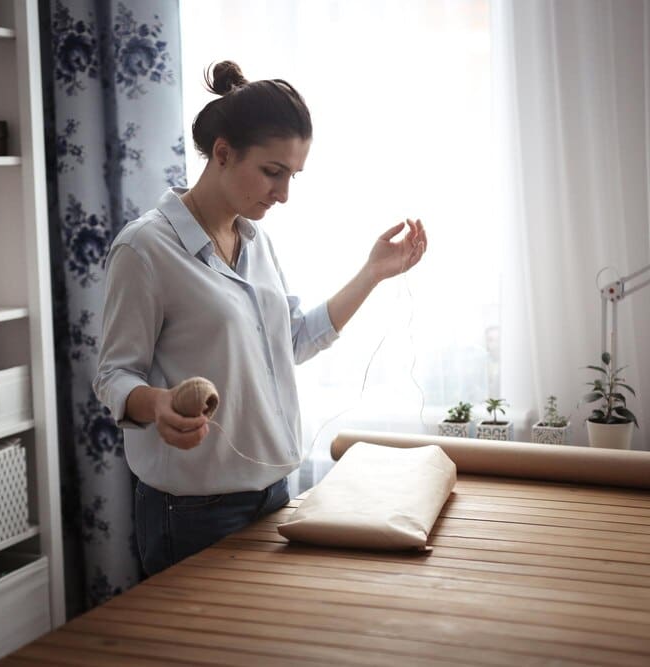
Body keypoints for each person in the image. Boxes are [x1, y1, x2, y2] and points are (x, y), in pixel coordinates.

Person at [93, 61, 427, 577]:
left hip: (274, 496)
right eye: (273, 172)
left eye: (292, 176)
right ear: (223, 153)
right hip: (191, 513)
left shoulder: (256, 242)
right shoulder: (144, 249)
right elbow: (114, 376)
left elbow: (293, 340)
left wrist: (373, 272)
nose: (284, 193)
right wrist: (158, 404)